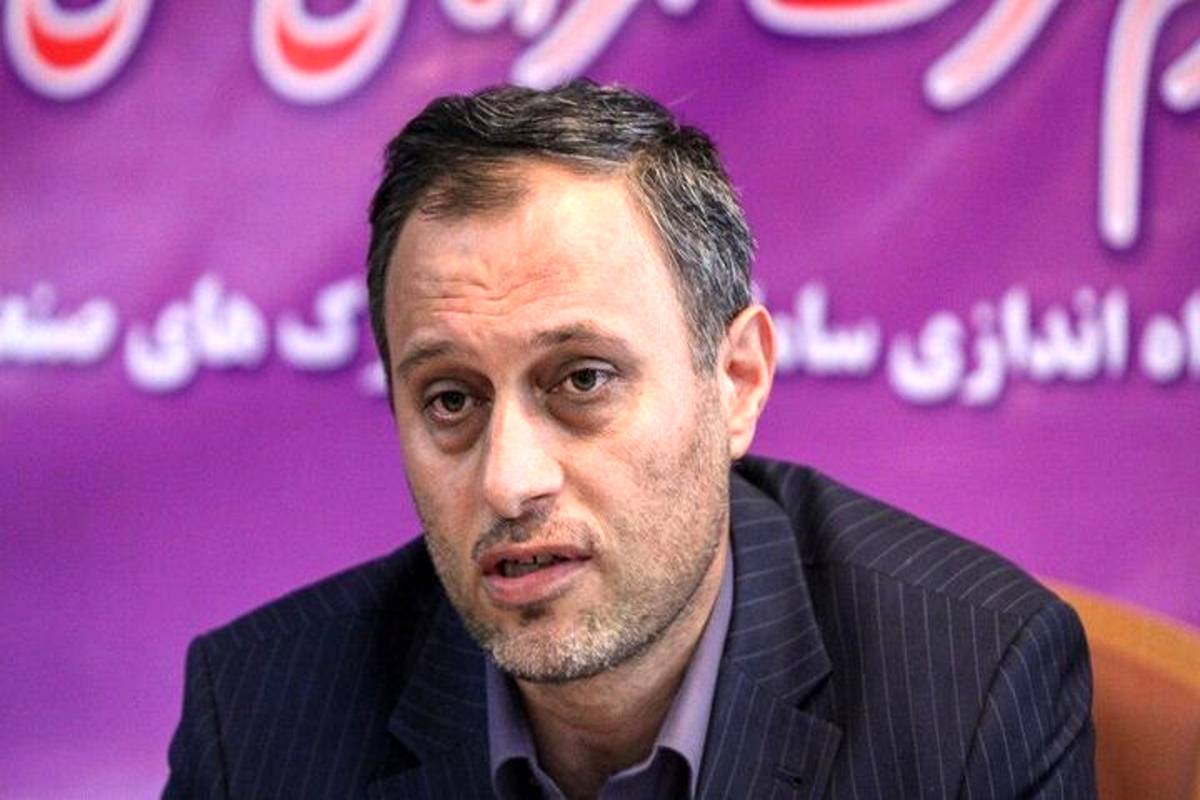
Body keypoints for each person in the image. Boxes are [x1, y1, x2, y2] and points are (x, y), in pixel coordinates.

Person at [164, 80, 1095, 799]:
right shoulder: (256, 719)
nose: (508, 481)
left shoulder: (970, 683)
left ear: (736, 381)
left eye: (582, 380)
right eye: (451, 399)